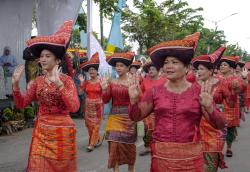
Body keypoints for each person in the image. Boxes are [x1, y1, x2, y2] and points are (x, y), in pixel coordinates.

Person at [128, 32, 226, 172]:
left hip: (191, 157)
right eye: (166, 63)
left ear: (186, 68)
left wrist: (210, 107)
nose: (168, 66)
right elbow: (135, 116)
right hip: (161, 157)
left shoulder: (199, 92)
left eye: (174, 62)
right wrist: (133, 100)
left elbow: (220, 124)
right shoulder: (155, 91)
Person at [12, 20, 80, 172]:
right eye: (41, 56)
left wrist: (59, 85)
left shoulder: (67, 80)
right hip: (42, 133)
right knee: (37, 166)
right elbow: (22, 104)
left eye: (47, 56)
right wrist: (16, 86)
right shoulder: (38, 81)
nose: (42, 59)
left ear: (57, 60)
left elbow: (75, 107)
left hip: (63, 133)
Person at [192, 47, 228, 171]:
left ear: (211, 70)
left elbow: (230, 99)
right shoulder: (194, 85)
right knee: (198, 164)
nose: (198, 72)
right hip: (197, 127)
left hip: (215, 126)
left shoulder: (221, 83)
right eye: (197, 69)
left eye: (201, 69)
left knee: (211, 164)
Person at [100, 52, 137, 172]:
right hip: (114, 116)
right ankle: (116, 170)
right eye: (117, 65)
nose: (118, 68)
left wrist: (134, 96)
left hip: (129, 117)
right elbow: (105, 100)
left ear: (127, 67)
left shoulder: (133, 82)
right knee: (113, 143)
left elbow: (137, 100)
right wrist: (104, 89)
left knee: (129, 146)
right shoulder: (112, 82)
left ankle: (131, 169)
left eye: (121, 65)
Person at [215, 56, 246, 157]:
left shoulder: (235, 79)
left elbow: (242, 88)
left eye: (225, 65)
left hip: (231, 107)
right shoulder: (216, 78)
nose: (222, 66)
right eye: (221, 65)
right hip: (218, 107)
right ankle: (219, 148)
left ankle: (229, 148)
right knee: (219, 129)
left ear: (230, 67)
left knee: (230, 130)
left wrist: (244, 79)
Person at [139, 59, 166, 156]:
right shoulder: (145, 81)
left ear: (158, 71)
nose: (150, 71)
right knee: (147, 129)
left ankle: (156, 147)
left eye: (153, 69)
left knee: (158, 129)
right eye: (149, 70)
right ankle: (147, 147)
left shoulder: (163, 81)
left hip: (159, 109)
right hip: (147, 110)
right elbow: (140, 93)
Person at [78, 52, 104, 152]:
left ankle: (91, 143)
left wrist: (105, 87)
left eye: (93, 70)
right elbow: (80, 92)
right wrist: (81, 83)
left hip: (98, 106)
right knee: (89, 125)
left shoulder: (101, 81)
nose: (91, 71)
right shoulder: (87, 82)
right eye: (89, 70)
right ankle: (97, 139)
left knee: (96, 125)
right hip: (88, 106)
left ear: (97, 71)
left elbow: (105, 94)